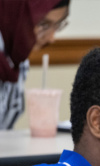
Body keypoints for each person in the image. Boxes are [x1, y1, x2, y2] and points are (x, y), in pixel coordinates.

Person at [0, 0, 70, 130]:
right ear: (15, 13)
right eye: (43, 24)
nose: (51, 38)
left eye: (57, 25)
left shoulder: (17, 58)